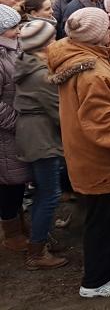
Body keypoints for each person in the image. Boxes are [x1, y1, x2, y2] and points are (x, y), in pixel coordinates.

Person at [47, 7, 110, 298]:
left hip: (105, 161)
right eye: (108, 27)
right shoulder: (91, 73)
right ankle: (95, 281)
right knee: (101, 221)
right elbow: (101, 121)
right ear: (95, 35)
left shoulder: (91, 58)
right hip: (102, 160)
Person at [13, 20, 68, 269]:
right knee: (49, 194)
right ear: (44, 45)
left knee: (44, 192)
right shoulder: (40, 75)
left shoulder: (30, 64)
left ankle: (40, 238)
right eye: (53, 40)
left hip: (33, 133)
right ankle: (36, 252)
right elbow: (59, 111)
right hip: (40, 137)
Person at [0, 5, 29, 253]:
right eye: (12, 28)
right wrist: (16, 122)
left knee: (17, 180)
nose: (18, 32)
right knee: (9, 182)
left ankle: (19, 224)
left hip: (17, 129)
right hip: (6, 132)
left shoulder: (13, 49)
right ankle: (12, 234)